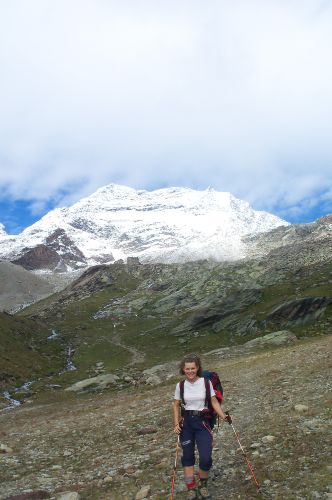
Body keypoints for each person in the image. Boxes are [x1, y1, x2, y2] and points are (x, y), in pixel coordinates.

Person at [173, 353, 228, 499]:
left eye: (193, 368)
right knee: (188, 456)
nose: (190, 371)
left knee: (205, 457)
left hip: (202, 422)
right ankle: (191, 488)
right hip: (187, 424)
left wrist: (223, 416)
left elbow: (214, 401)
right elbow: (176, 404)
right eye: (187, 369)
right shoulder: (180, 385)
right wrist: (176, 423)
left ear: (198, 368)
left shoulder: (205, 383)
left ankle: (203, 485)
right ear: (183, 370)